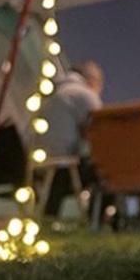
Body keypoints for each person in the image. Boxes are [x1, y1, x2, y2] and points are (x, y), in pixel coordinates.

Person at [38, 60, 104, 217]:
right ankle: (98, 219)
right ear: (94, 82)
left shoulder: (54, 93)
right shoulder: (84, 94)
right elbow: (101, 130)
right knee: (107, 170)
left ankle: (49, 217)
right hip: (65, 167)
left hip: (39, 166)